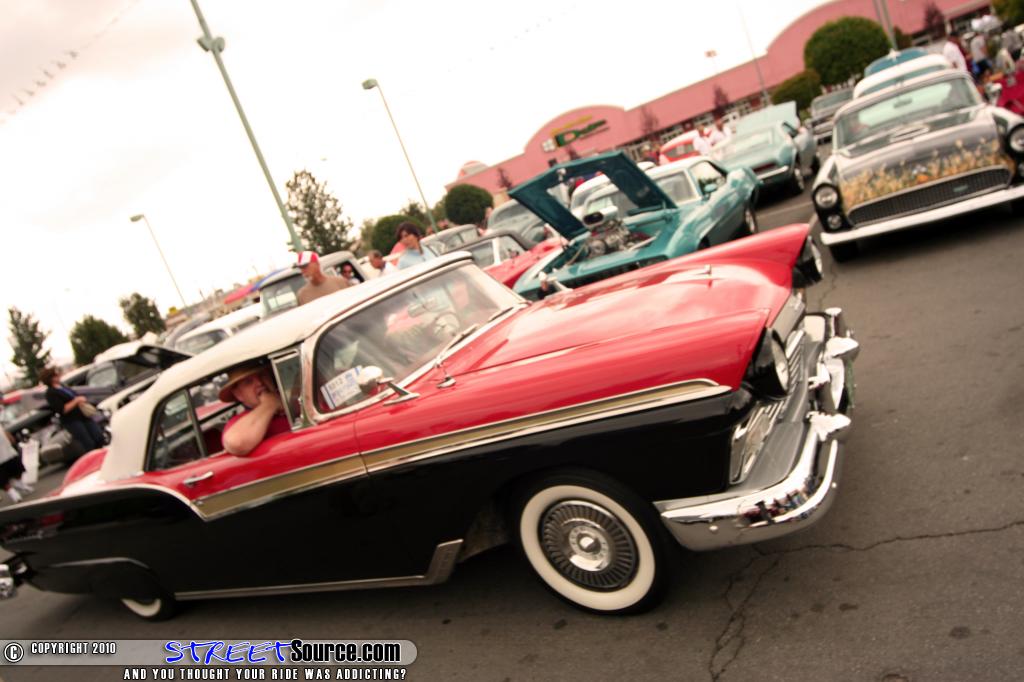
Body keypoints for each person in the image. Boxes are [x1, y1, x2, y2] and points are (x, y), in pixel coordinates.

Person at [219, 363, 290, 456]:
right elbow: (237, 443)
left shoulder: (291, 400)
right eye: (248, 382)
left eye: (262, 375)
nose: (260, 383)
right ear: (238, 394)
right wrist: (270, 404)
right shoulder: (239, 422)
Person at [40, 366, 104, 455]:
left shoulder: (63, 386)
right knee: (88, 442)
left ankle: (101, 453)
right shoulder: (51, 393)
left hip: (82, 415)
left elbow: (74, 395)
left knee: (98, 436)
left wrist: (80, 400)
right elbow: (62, 409)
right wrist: (76, 401)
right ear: (50, 378)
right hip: (72, 421)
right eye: (55, 375)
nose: (58, 376)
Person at [0, 429, 32, 504]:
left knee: (18, 469)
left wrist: (10, 437)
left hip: (8, 452)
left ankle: (19, 483)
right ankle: (12, 492)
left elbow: (4, 430)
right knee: (2, 479)